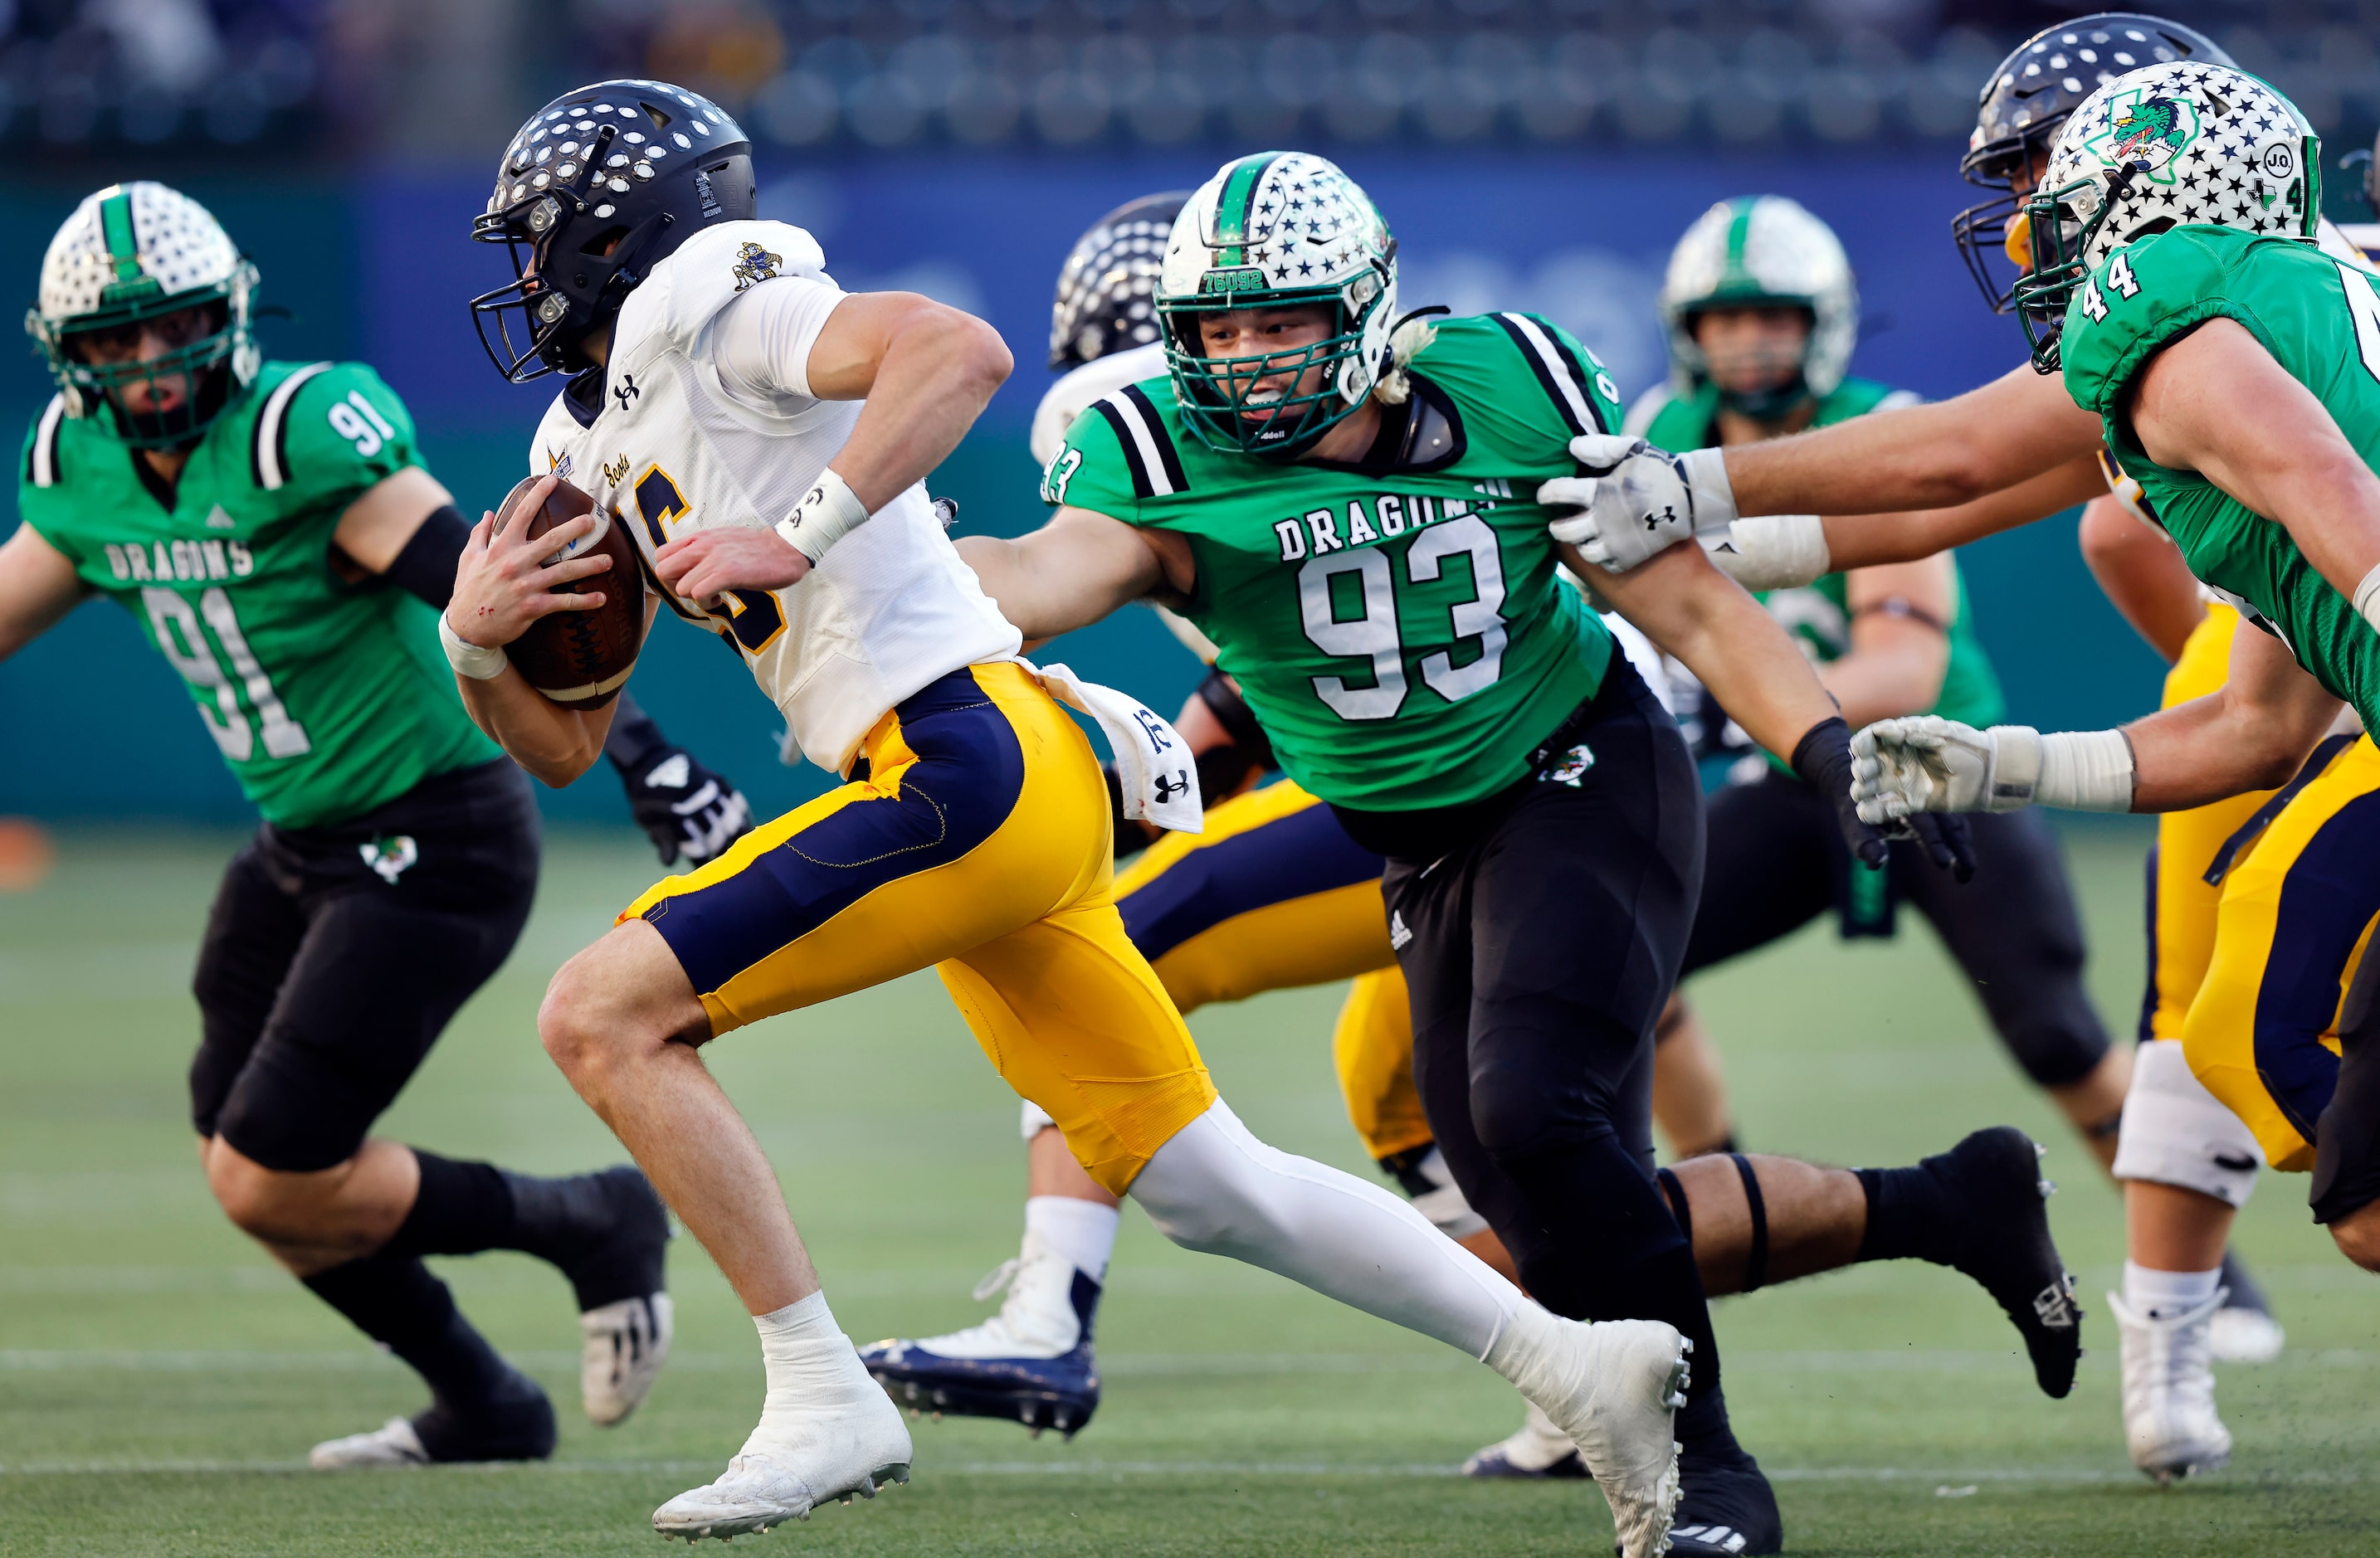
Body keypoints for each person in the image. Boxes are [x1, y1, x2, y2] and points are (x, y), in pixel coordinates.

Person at [449, 83, 1703, 1554]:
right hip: (974, 778)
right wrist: (475, 647)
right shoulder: (580, 439)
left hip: (961, 758)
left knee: (601, 1012)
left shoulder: (717, 311)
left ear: (617, 234)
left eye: (540, 246)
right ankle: (1577, 1362)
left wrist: (794, 535)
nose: (526, 282)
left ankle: (817, 1388)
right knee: (1212, 1185)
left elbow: (953, 350)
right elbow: (564, 741)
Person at [956, 148, 2079, 1558]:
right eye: (1220, 332)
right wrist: (876, 576)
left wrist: (1824, 748)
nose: (1244, 362)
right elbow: (1041, 579)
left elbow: (1687, 603)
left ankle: (1707, 1471)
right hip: (1425, 850)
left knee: (1536, 1109)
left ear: (1362, 311)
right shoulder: (1153, 456)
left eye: (1281, 324)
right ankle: (1949, 1198)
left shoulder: (1504, 388)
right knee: (1522, 1183)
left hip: (1583, 770)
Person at [0, 180, 723, 1468]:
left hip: (437, 830)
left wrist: (639, 751)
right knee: (255, 1170)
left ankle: (592, 1218)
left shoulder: (297, 438)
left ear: (226, 317)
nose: (151, 365)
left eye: (169, 329)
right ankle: (486, 1402)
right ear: (73, 361)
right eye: (116, 343)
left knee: (265, 1165)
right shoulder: (76, 467)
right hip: (299, 844)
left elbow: (493, 595)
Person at [1463, 190, 2133, 1484]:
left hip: (1929, 770)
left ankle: (2188, 1263)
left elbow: (1901, 655)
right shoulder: (1651, 436)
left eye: (1773, 317)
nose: (1751, 346)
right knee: (1625, 975)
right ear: (1683, 333)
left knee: (2055, 1028)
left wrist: (1721, 693)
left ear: (1823, 326)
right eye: (1726, 321)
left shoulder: (1880, 431)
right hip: (1779, 777)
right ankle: (1693, 1203)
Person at [1836, 64, 2380, 1300]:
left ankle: (2179, 1339)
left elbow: (2325, 487)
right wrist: (2005, 762)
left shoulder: (2180, 322)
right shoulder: (2307, 305)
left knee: (2274, 1052)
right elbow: (2255, 726)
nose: (2042, 229)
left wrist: (1708, 503)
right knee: (2345, 1180)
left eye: (2066, 190)